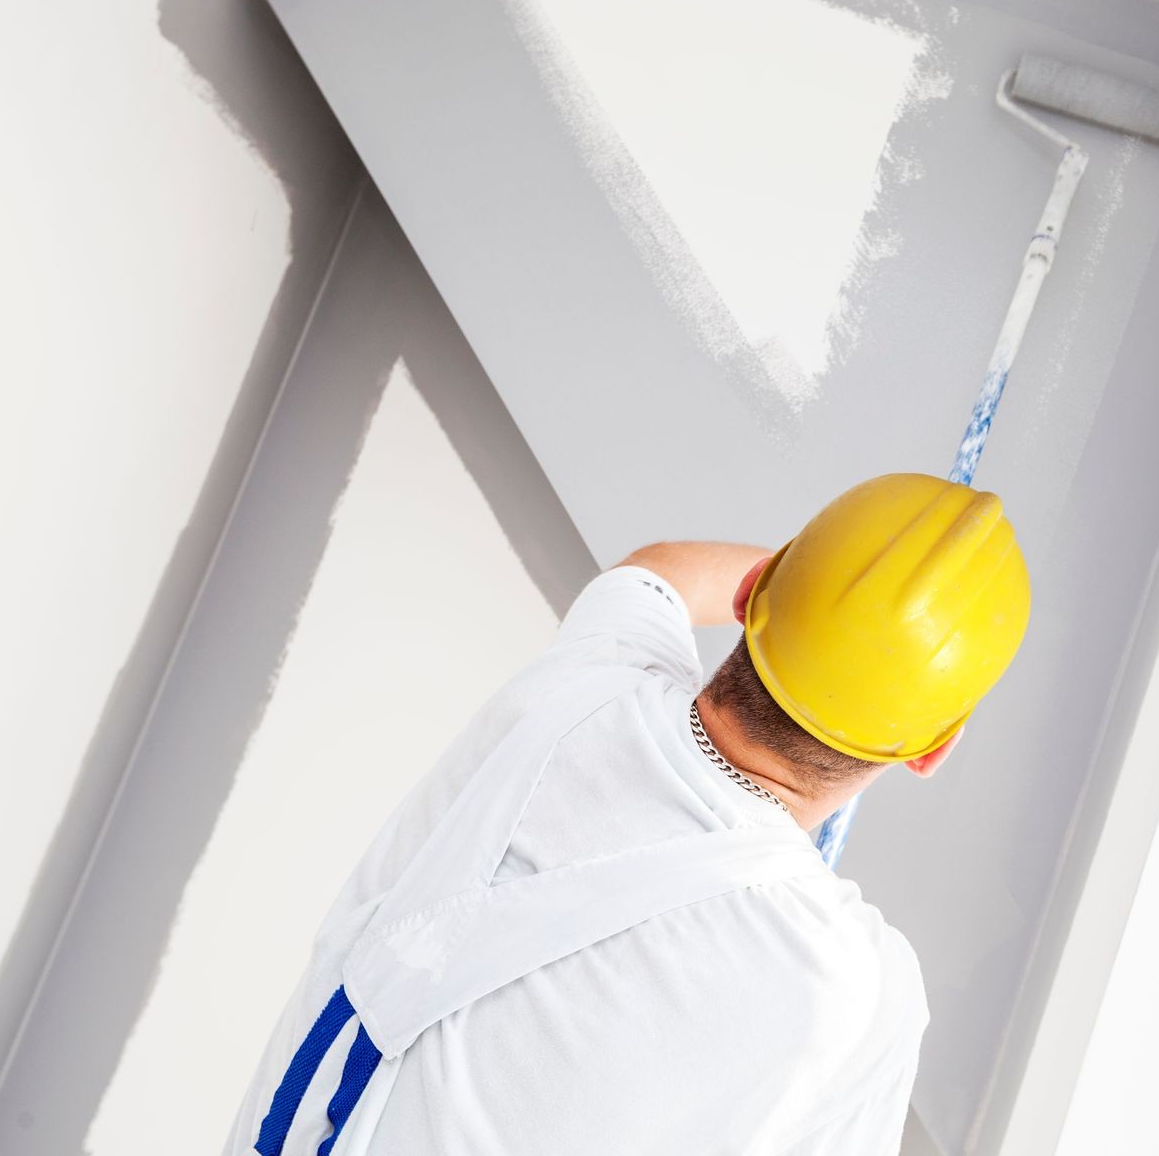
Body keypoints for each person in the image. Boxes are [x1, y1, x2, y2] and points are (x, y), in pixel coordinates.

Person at [225, 473, 1030, 1155]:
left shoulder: (588, 679)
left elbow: (658, 572)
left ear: (750, 594)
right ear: (931, 752)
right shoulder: (859, 997)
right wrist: (882, 638)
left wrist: (820, 590)